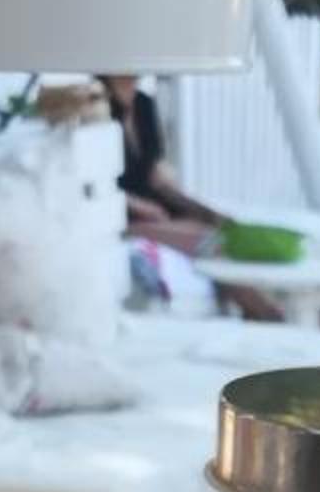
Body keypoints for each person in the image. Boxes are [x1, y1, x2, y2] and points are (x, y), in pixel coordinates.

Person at [99, 72, 281, 319]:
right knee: (210, 242)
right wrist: (137, 205)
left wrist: (206, 211)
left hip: (157, 208)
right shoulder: (95, 107)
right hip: (120, 217)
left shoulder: (143, 104)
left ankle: (251, 308)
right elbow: (88, 186)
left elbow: (156, 179)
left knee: (222, 229)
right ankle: (260, 308)